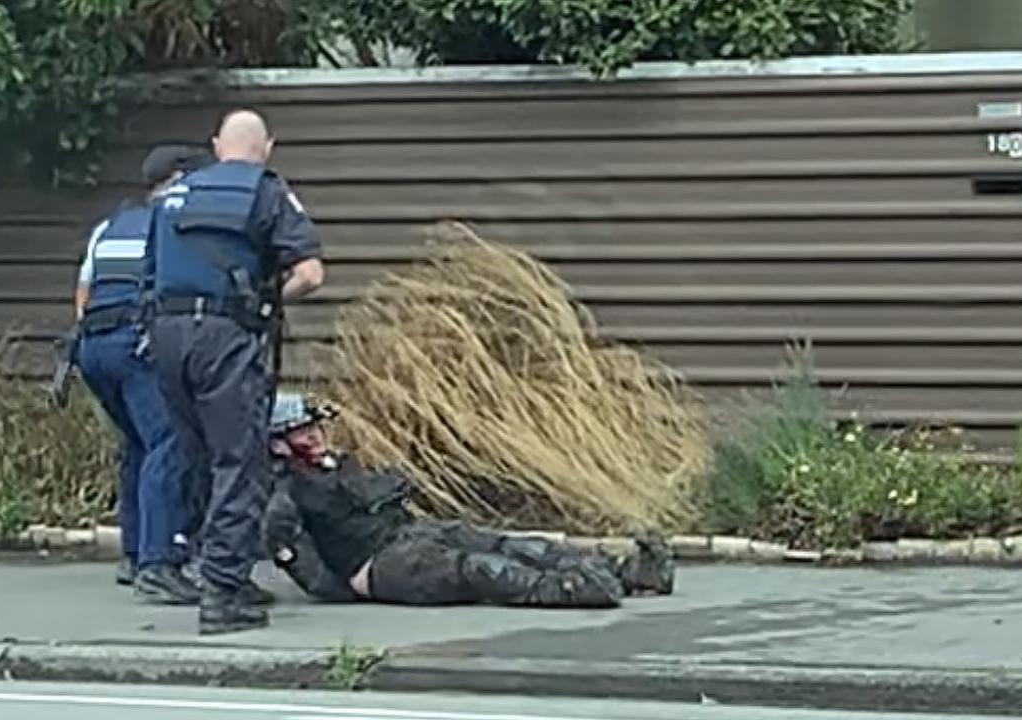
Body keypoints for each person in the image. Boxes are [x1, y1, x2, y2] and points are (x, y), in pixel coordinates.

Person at [145, 108, 326, 635]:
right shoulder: (267, 191)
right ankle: (223, 594)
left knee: (194, 455)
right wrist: (271, 299)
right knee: (239, 461)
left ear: (215, 145)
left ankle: (215, 569)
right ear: (267, 147)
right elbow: (310, 275)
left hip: (166, 336)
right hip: (225, 337)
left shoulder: (173, 195)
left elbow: (149, 273)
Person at [262, 392, 677, 607]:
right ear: (279, 443)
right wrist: (353, 588)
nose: (315, 436)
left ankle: (629, 573)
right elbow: (304, 566)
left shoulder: (336, 464)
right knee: (478, 569)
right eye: (303, 431)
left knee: (504, 543)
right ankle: (569, 590)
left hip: (407, 535)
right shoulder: (286, 494)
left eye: (315, 427)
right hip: (378, 564)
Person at [73, 145, 212, 605]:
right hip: (137, 346)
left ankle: (133, 556)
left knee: (136, 446)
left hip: (92, 349)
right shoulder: (174, 226)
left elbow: (83, 297)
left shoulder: (108, 227)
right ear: (178, 180)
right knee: (168, 444)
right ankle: (158, 564)